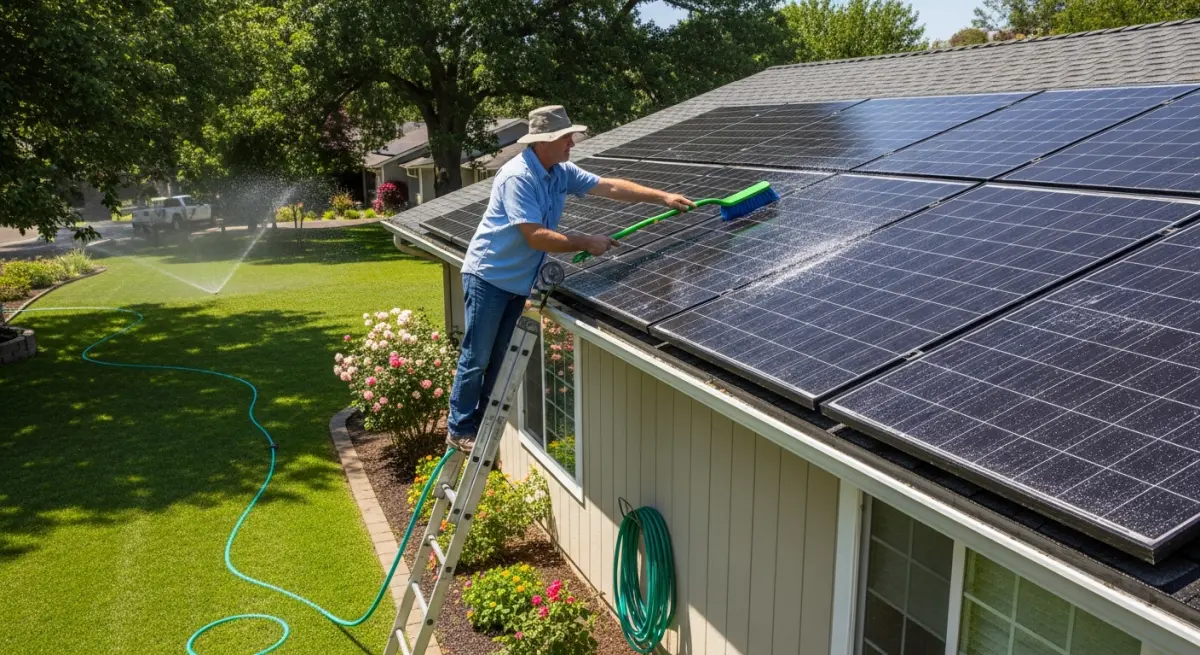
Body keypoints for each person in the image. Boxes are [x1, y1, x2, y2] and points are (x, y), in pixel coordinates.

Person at [447, 105, 695, 452]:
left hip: (516, 281)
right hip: (489, 276)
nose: (571, 144)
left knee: (499, 358)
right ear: (543, 142)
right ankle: (460, 428)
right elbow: (535, 236)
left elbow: (609, 187)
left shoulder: (559, 171)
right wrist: (586, 241)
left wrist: (662, 196)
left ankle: (482, 426)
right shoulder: (519, 176)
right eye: (566, 138)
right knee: (478, 356)